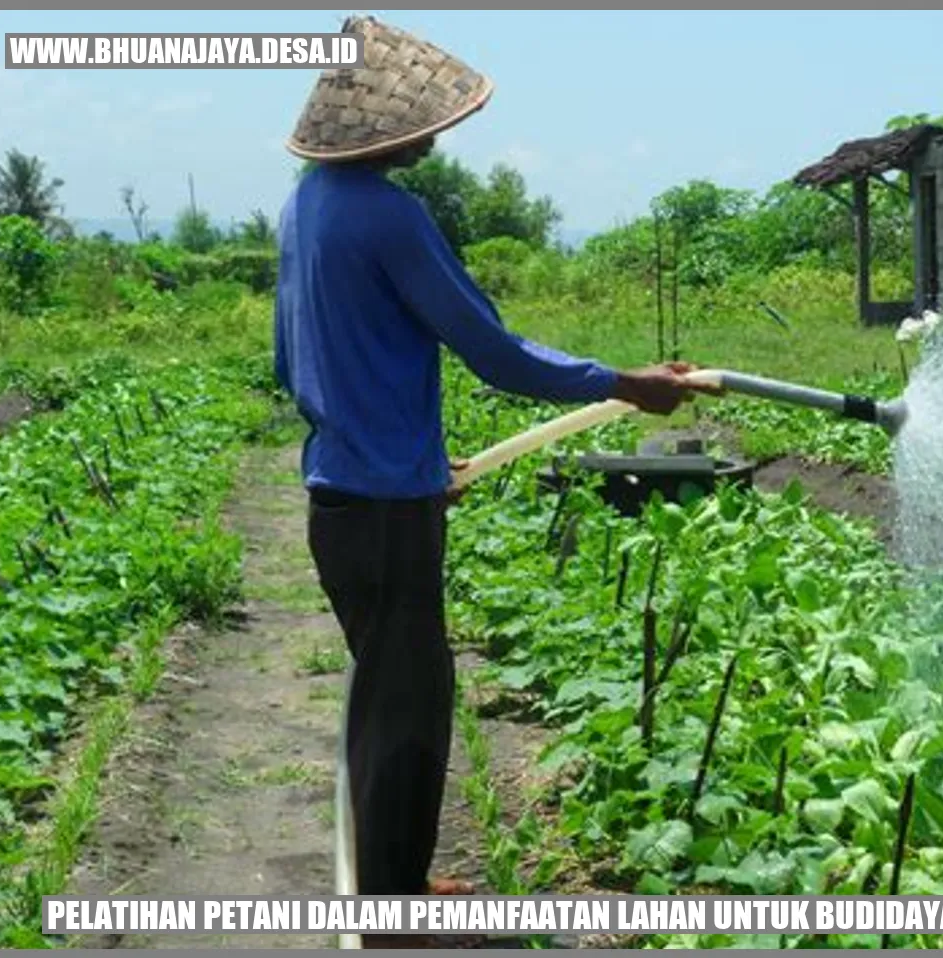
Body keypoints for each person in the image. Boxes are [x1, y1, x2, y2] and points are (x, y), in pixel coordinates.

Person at [274, 16, 712, 947]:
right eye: (427, 122)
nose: (438, 135)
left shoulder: (305, 204)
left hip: (341, 499)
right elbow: (494, 353)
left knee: (385, 696)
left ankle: (387, 887)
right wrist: (623, 383)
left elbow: (292, 362)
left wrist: (417, 464)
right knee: (412, 709)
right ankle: (395, 915)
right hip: (387, 513)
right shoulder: (389, 214)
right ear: (381, 132)